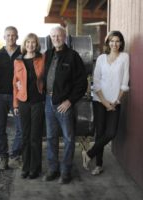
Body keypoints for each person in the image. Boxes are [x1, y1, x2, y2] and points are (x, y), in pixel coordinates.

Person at [43, 26, 87, 184]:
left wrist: (70, 101)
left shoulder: (73, 56)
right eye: (53, 36)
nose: (56, 38)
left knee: (68, 138)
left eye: (59, 36)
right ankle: (53, 169)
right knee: (51, 137)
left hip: (64, 104)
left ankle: (66, 171)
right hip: (48, 102)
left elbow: (82, 83)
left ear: (65, 37)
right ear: (50, 38)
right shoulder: (47, 54)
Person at [82, 30, 129, 175]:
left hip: (115, 101)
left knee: (111, 133)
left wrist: (116, 101)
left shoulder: (125, 57)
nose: (114, 44)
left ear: (121, 43)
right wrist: (104, 102)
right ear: (108, 42)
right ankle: (99, 165)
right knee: (100, 132)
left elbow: (124, 82)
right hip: (99, 101)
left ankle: (88, 154)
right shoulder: (101, 58)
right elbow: (96, 82)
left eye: (117, 41)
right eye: (112, 41)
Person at [0, 26, 22, 170]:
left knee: (21, 127)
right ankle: (3, 157)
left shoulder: (23, 53)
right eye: (8, 35)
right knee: (0, 128)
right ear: (4, 37)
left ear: (17, 37)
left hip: (18, 96)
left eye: (13, 35)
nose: (10, 38)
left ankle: (15, 155)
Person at [13, 33, 45, 179]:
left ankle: (35, 168)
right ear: (24, 44)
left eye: (33, 43)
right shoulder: (18, 61)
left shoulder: (42, 58)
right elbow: (15, 84)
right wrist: (15, 104)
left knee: (35, 136)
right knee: (25, 136)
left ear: (36, 44)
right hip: (23, 102)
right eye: (28, 42)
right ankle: (25, 167)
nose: (30, 45)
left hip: (38, 101)